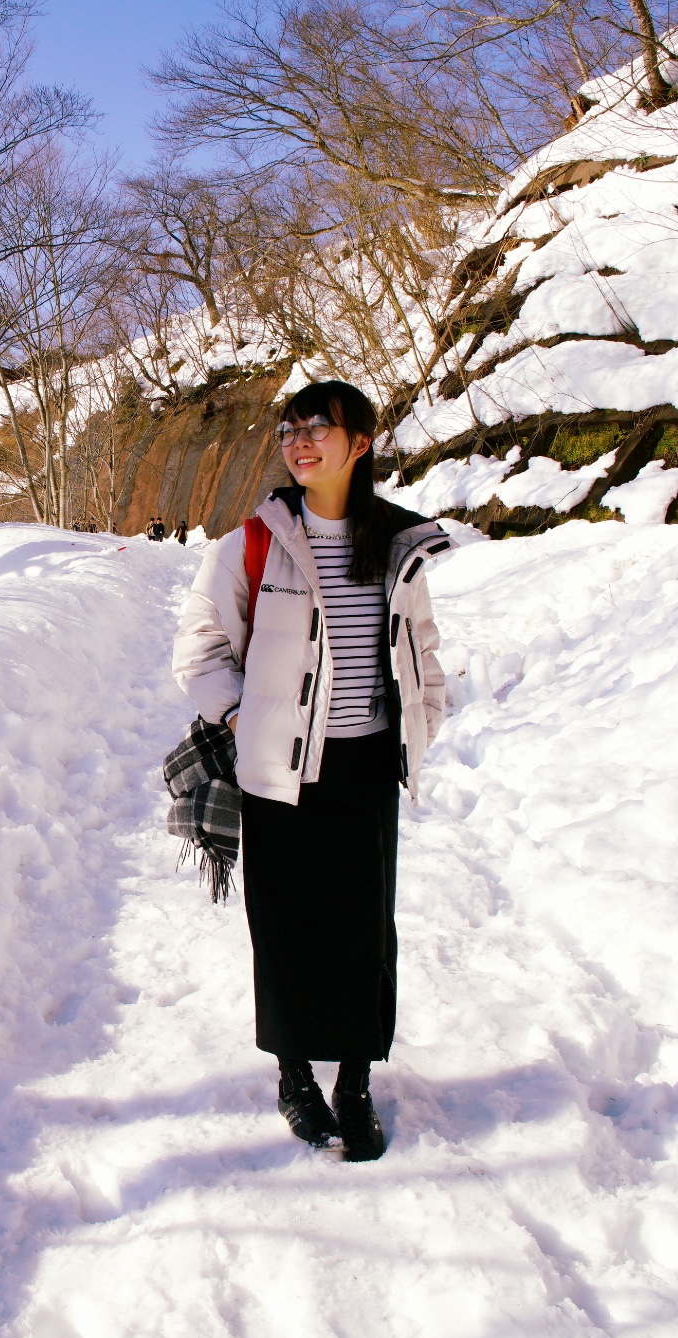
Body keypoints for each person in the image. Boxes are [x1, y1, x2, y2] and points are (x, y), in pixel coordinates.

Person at [170, 380, 450, 1162]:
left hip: (364, 763)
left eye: (317, 428)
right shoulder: (252, 543)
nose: (298, 441)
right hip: (278, 772)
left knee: (365, 933)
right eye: (289, 429)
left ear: (360, 443)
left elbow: (421, 648)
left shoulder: (397, 542)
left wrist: (428, 712)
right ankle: (295, 1075)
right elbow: (198, 648)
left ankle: (353, 1082)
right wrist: (237, 716)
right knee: (288, 932)